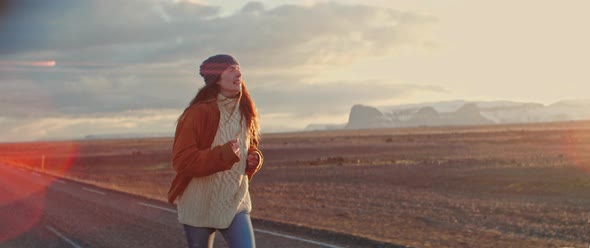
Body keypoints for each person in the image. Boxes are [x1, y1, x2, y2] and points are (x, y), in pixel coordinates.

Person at [167, 54, 263, 248]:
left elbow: (248, 146)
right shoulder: (197, 113)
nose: (238, 72)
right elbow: (182, 161)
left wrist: (254, 158)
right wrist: (224, 155)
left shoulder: (246, 110)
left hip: (235, 202)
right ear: (216, 79)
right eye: (230, 69)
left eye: (238, 68)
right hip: (199, 204)